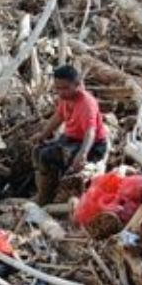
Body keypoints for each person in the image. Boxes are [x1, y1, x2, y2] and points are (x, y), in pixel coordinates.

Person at [31, 65, 109, 205]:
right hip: (71, 138)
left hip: (91, 144)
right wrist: (43, 135)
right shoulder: (65, 98)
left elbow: (90, 132)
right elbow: (58, 117)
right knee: (38, 151)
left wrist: (83, 153)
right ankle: (44, 192)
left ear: (77, 85)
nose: (61, 92)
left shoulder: (87, 103)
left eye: (65, 88)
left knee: (54, 157)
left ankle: (53, 198)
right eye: (58, 88)